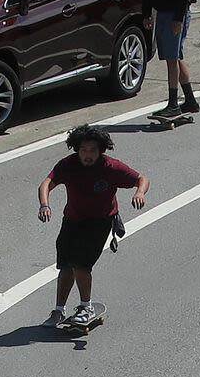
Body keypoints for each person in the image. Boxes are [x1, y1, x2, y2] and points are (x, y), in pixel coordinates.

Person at [37, 124, 149, 329]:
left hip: (100, 222)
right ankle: (59, 310)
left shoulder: (111, 167)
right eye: (83, 150)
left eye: (92, 151)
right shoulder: (68, 165)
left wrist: (139, 192)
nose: (88, 155)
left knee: (81, 265)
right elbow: (46, 184)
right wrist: (45, 204)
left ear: (101, 150)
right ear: (76, 149)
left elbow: (142, 179)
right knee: (66, 266)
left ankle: (85, 306)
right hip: (72, 220)